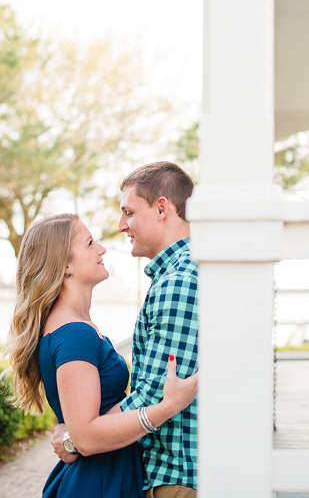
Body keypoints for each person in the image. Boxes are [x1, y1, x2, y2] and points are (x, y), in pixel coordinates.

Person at [3, 213, 197, 498]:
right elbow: (87, 436)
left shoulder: (77, 328)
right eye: (90, 243)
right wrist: (167, 407)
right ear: (65, 265)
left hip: (106, 475)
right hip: (97, 482)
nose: (102, 249)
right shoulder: (73, 334)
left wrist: (71, 438)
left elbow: (78, 432)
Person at [50, 161, 200, 497]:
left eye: (128, 212)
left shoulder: (177, 282)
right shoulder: (178, 275)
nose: (121, 226)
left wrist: (80, 438)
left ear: (162, 207)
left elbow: (157, 392)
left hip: (175, 477)